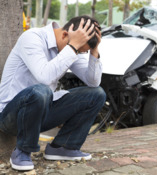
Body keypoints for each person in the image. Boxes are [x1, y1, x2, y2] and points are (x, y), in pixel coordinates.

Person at [0, 15, 106, 171]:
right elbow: (44, 77)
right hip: (11, 116)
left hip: (40, 113)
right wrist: (73, 46)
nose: (76, 53)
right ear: (64, 35)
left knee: (97, 94)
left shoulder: (70, 46)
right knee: (41, 91)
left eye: (80, 51)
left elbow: (93, 81)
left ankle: (64, 147)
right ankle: (23, 151)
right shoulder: (32, 38)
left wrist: (94, 50)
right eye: (77, 49)